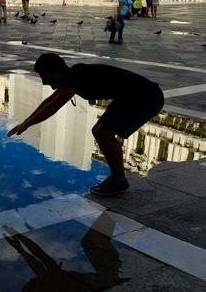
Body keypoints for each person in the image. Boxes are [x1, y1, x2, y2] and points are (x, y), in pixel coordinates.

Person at [8, 52, 164, 196]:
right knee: (98, 131)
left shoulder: (73, 78)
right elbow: (49, 101)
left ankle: (119, 180)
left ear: (56, 72)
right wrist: (25, 122)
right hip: (131, 96)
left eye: (44, 76)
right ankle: (117, 177)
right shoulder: (72, 75)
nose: (43, 82)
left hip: (146, 97)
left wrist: (27, 124)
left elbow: (53, 107)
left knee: (104, 132)